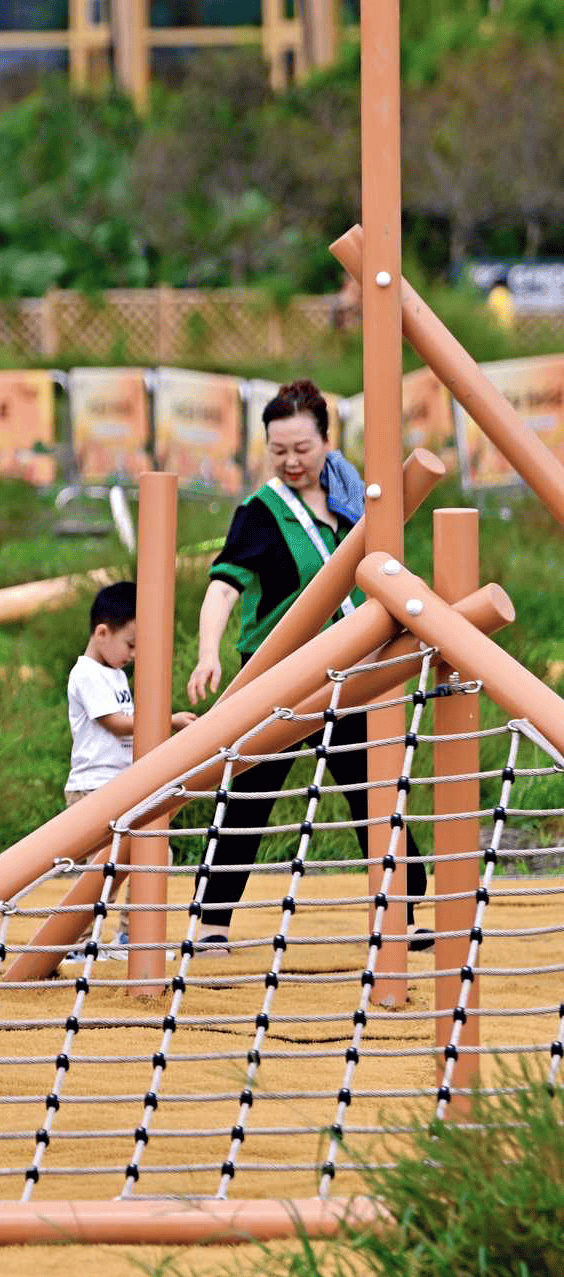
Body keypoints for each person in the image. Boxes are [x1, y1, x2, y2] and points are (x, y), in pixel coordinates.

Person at [185, 378, 429, 957]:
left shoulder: (355, 499)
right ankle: (212, 922)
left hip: (352, 668)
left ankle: (407, 909)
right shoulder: (260, 511)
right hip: (277, 674)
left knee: (374, 788)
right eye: (279, 450)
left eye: (302, 448)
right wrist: (207, 651)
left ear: (327, 439)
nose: (292, 461)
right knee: (248, 793)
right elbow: (223, 589)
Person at [63, 581, 196, 961]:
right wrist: (166, 720)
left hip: (123, 783)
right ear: (102, 633)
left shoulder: (115, 673)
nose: (134, 655)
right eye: (130, 644)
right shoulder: (87, 673)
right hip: (94, 786)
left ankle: (129, 937)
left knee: (154, 854)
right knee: (100, 869)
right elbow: (117, 724)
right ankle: (75, 943)